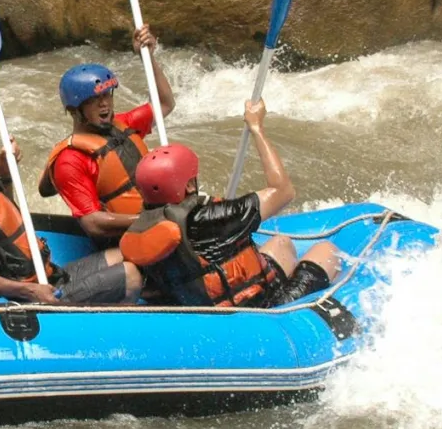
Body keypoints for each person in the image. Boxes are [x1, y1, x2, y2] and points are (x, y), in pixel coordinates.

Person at [118, 101, 341, 308]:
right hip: (259, 308)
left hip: (207, 306)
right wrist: (257, 128)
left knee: (282, 243)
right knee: (327, 250)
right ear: (188, 186)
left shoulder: (144, 226)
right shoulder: (209, 220)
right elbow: (283, 191)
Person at [0, 120, 141, 304]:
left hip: (47, 275)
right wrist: (29, 291)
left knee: (126, 252)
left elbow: (4, 218)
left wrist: (5, 174)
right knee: (130, 275)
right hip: (32, 295)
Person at [37, 25, 176, 247]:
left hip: (160, 223)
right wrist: (153, 220)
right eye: (93, 99)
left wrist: (147, 57)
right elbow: (93, 223)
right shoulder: (70, 160)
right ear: (74, 110)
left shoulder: (123, 124)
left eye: (107, 95)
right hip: (125, 241)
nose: (104, 103)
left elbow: (164, 103)